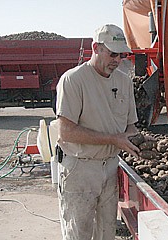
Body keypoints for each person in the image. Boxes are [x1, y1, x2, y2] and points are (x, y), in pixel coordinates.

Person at [55, 24, 140, 240]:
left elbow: (130, 126)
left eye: (121, 55)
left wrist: (136, 141)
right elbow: (66, 132)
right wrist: (113, 139)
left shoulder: (124, 81)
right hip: (80, 169)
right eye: (112, 53)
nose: (117, 60)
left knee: (107, 232)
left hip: (110, 166)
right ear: (96, 48)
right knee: (79, 233)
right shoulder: (74, 80)